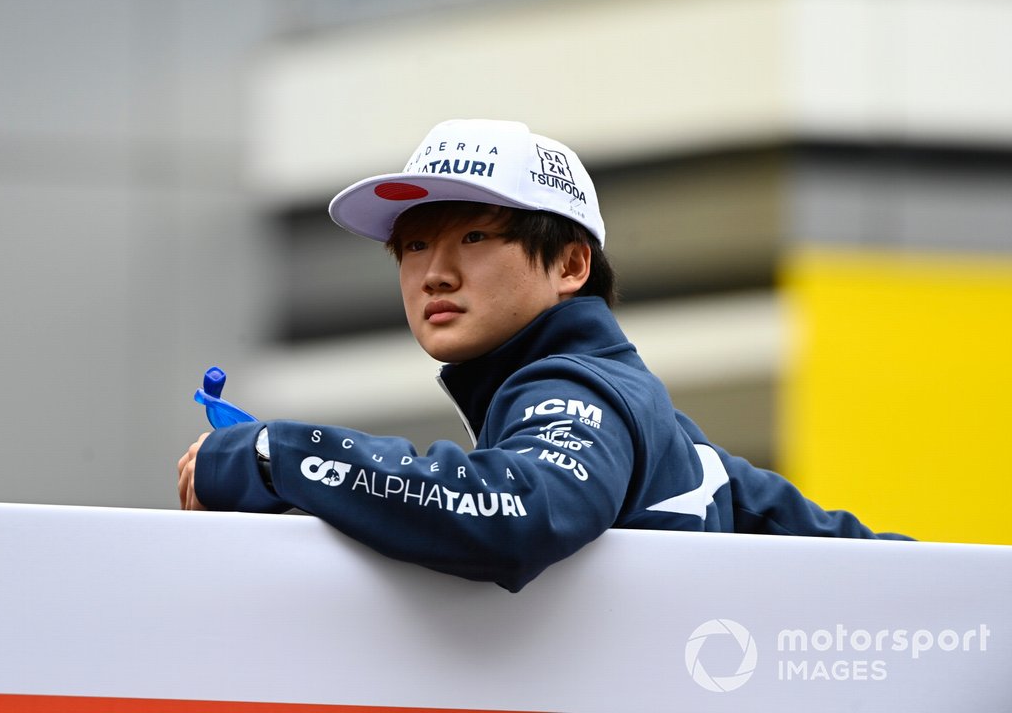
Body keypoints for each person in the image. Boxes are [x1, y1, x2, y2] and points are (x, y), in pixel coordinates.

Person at [177, 118, 910, 592]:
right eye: (413, 245)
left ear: (570, 266)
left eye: (473, 238)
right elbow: (859, 557)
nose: (433, 271)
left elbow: (521, 509)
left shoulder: (576, 390)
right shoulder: (650, 421)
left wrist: (280, 456)